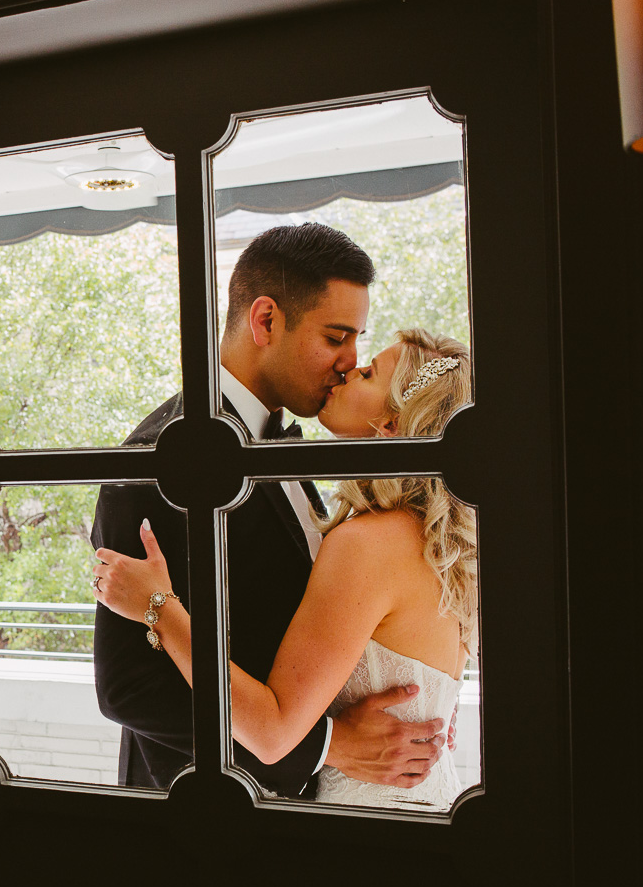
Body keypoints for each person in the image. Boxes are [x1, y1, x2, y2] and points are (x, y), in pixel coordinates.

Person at [90, 222, 449, 797]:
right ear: (265, 321)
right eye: (336, 338)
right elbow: (129, 689)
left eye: (358, 342)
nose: (348, 360)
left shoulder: (291, 445)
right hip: (210, 808)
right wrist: (328, 746)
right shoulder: (160, 459)